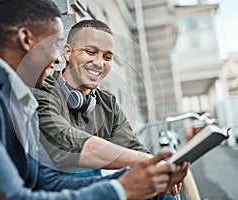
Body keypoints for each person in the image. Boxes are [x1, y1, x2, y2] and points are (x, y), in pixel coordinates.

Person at [0, 1, 178, 200]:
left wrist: (141, 180)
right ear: (25, 39)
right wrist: (121, 190)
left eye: (106, 56)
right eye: (54, 44)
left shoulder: (21, 101)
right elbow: (9, 197)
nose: (56, 60)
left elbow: (45, 180)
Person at [34, 19, 189, 197]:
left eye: (107, 57)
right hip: (59, 190)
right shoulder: (42, 89)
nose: (99, 63)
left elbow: (133, 147)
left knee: (160, 187)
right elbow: (67, 144)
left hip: (98, 187)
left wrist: (159, 170)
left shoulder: (107, 102)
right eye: (91, 52)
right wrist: (144, 160)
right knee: (83, 168)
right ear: (68, 53)